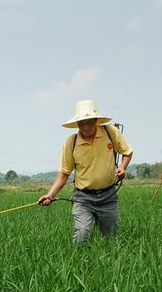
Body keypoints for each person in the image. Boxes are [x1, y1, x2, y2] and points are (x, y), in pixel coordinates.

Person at [38, 100, 133, 243]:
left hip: (108, 195)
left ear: (95, 120)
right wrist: (50, 195)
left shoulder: (110, 132)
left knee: (110, 238)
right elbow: (64, 173)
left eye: (89, 122)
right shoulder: (71, 142)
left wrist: (122, 167)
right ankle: (78, 262)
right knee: (81, 234)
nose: (85, 126)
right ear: (77, 124)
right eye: (82, 123)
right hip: (83, 198)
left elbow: (127, 152)